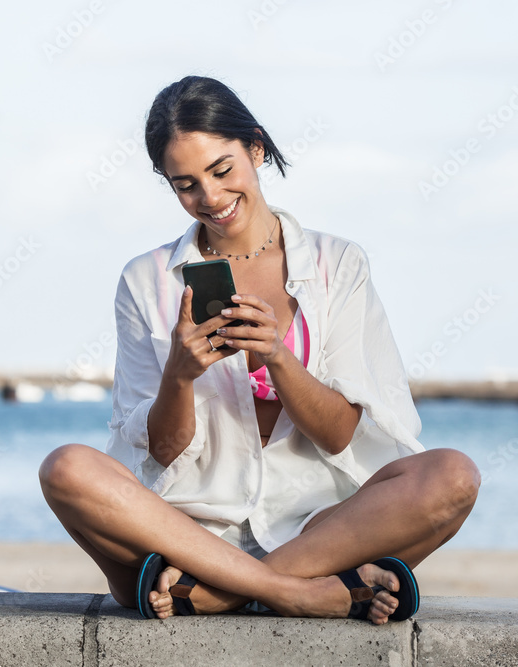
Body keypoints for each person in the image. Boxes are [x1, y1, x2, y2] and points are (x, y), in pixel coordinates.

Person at [39, 75, 480, 624]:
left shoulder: (336, 265)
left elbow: (342, 436)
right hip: (185, 532)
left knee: (452, 476)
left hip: (319, 526)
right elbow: (162, 455)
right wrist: (178, 375)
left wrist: (279, 356)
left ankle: (215, 594)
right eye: (186, 185)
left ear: (256, 147)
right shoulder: (145, 280)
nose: (211, 198)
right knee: (66, 469)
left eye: (222, 170)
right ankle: (304, 593)